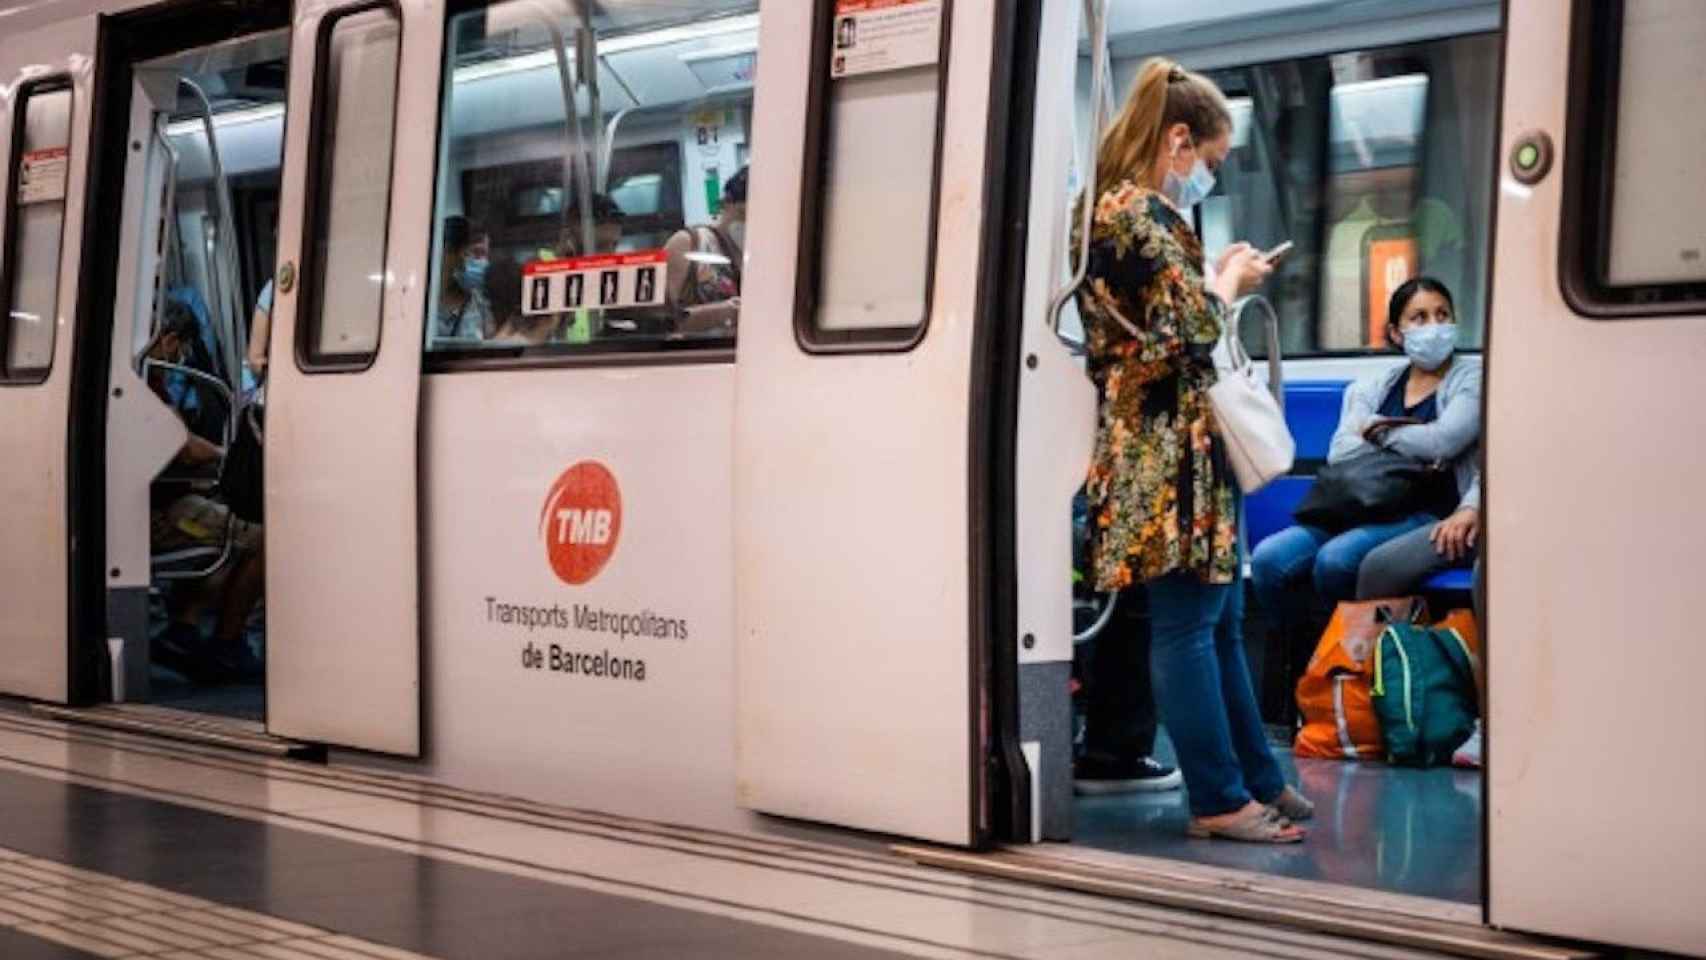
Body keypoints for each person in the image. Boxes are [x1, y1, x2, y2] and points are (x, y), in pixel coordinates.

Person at [1075, 58, 1309, 842]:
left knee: (1217, 615)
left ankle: (1257, 779)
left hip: (1181, 446)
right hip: (1160, 450)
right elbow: (1191, 333)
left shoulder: (1136, 215)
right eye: (1208, 161)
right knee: (1185, 625)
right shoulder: (1131, 214)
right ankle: (1217, 799)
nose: (1208, 176)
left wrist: (1211, 276)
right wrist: (1230, 282)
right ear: (1177, 139)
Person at [1251, 277, 1481, 650]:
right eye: (1419, 318)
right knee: (1270, 560)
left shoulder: (1469, 379)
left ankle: (1344, 664)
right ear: (1396, 332)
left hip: (1422, 511)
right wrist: (1414, 440)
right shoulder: (1375, 386)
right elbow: (1342, 450)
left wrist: (1379, 432)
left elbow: (1445, 440)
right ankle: (1306, 658)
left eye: (1442, 315)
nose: (1434, 327)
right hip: (1358, 505)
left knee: (1336, 561)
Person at [147, 302, 266, 683]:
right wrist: (223, 456)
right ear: (167, 341)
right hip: (159, 516)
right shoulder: (143, 383)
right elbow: (183, 444)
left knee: (221, 518)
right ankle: (228, 644)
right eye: (179, 347)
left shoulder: (145, 381)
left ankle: (183, 629)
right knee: (264, 538)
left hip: (160, 501)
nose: (180, 357)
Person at [664, 166, 745, 335]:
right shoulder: (689, 244)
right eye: (742, 214)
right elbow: (662, 323)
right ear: (726, 205)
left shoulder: (767, 256)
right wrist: (721, 313)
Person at [435, 215, 493, 341]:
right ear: (448, 252)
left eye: (486, 255)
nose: (484, 263)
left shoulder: (482, 307)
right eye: (477, 253)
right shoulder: (420, 305)